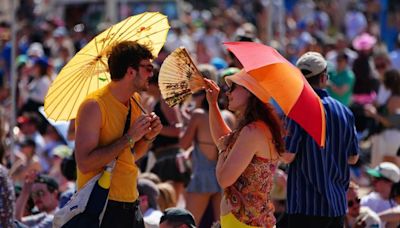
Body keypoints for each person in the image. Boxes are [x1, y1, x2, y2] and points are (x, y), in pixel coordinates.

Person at [74, 41, 162, 228]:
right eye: (148, 68)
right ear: (131, 72)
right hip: (102, 205)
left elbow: (130, 156)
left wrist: (148, 136)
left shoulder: (135, 100)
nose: (151, 74)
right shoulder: (94, 106)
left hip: (130, 201)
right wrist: (129, 137)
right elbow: (85, 162)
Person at [282, 51, 359, 227]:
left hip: (305, 206)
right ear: (324, 78)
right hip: (337, 205)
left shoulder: (298, 110)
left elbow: (288, 155)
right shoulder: (344, 111)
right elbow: (353, 158)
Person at [204, 69, 286, 227]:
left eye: (233, 87)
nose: (228, 92)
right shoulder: (257, 128)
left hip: (242, 223)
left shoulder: (252, 131)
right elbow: (224, 140)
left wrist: (221, 151)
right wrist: (212, 103)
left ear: (249, 91)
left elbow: (224, 179)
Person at [180, 64, 222, 225]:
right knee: (220, 225)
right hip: (221, 176)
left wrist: (186, 122)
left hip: (201, 176)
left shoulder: (197, 116)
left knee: (189, 223)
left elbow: (183, 144)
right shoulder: (225, 115)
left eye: (195, 92)